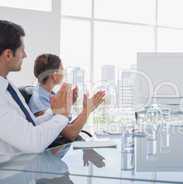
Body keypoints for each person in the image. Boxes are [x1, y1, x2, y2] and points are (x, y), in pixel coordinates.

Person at [0, 20, 73, 154]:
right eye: (22, 50)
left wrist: (54, 111)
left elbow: (30, 125)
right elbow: (32, 142)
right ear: (8, 55)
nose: (25, 55)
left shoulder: (8, 86)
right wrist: (62, 115)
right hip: (11, 172)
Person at [28, 54, 105, 141]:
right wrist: (87, 110)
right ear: (54, 74)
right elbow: (70, 133)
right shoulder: (40, 101)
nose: (64, 72)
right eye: (62, 69)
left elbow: (65, 126)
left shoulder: (47, 94)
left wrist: (69, 105)